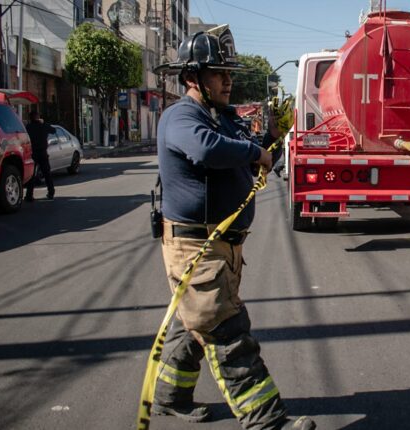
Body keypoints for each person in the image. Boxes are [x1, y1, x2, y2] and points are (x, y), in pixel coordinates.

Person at [151, 29, 315, 430]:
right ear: (193, 78)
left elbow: (253, 160)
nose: (228, 80)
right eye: (218, 72)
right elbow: (207, 149)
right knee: (227, 333)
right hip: (196, 249)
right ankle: (267, 421)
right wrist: (255, 150)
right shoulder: (180, 117)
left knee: (193, 326)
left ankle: (169, 396)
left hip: (223, 247)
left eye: (228, 72)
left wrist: (272, 139)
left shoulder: (222, 117)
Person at [25, 110, 56, 201]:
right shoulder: (43, 125)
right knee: (47, 173)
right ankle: (51, 192)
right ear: (38, 117)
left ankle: (29, 195)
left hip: (33, 153)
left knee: (31, 175)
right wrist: (44, 122)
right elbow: (53, 130)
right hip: (43, 153)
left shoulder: (28, 127)